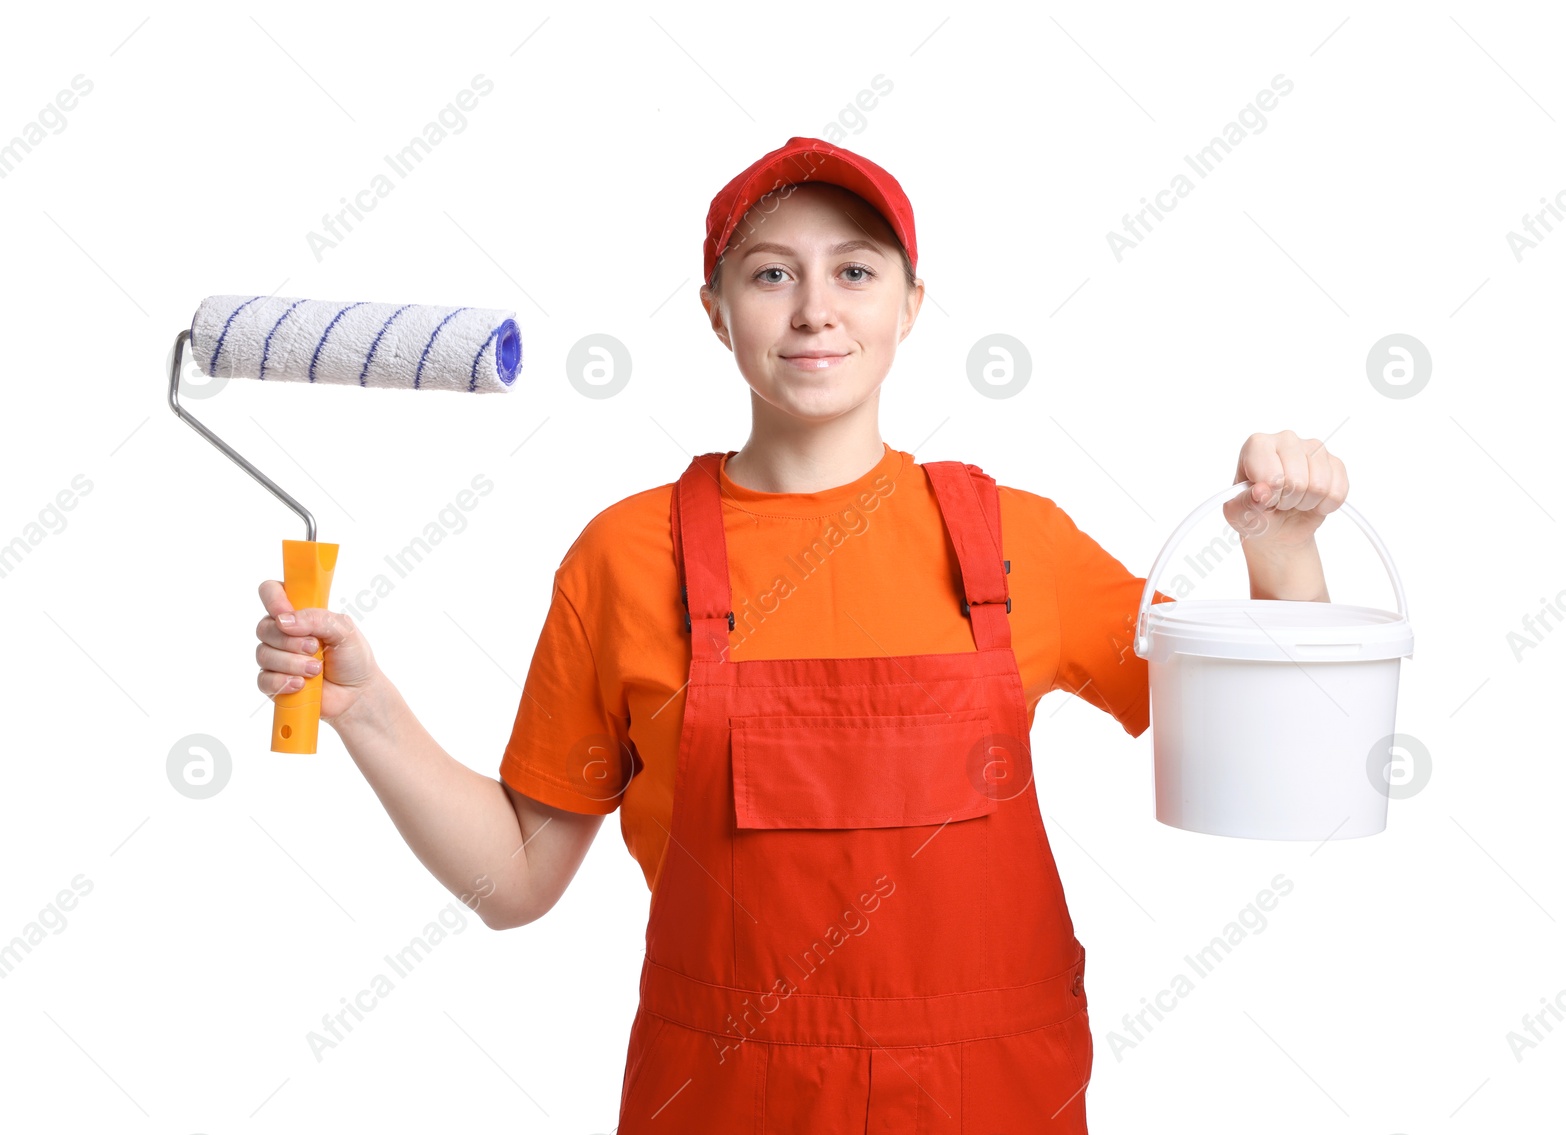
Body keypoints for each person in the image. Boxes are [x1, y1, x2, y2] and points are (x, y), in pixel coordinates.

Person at [253, 137, 1346, 1131]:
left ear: (912, 305)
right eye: (772, 273)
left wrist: (1281, 550)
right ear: (714, 310)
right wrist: (369, 712)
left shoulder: (1015, 540)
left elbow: (1276, 764)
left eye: (855, 271)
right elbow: (517, 884)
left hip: (992, 1102)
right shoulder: (626, 558)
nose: (815, 309)